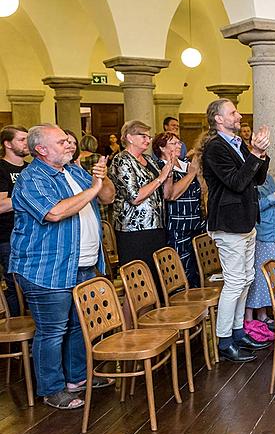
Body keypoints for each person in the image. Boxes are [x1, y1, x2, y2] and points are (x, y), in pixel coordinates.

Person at [9, 123, 115, 410]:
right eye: (61, 142)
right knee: (52, 330)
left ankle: (77, 378)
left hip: (82, 264)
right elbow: (55, 212)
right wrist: (93, 188)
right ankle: (52, 388)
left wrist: (101, 179)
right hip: (47, 267)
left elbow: (107, 197)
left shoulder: (74, 171)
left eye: (69, 141)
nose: (70, 144)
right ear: (41, 150)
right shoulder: (32, 178)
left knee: (80, 326)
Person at [201, 99, 272, 363]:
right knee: (233, 282)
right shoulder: (215, 148)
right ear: (218, 119)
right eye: (233, 113)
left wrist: (261, 153)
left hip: (246, 220)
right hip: (228, 223)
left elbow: (258, 179)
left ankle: (239, 331)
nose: (239, 115)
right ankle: (224, 340)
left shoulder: (238, 144)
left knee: (246, 278)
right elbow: (236, 182)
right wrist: (254, 152)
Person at [108, 120, 174, 296]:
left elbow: (166, 195)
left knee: (155, 282)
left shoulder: (150, 160)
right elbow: (135, 197)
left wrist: (169, 173)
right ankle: (133, 323)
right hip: (134, 230)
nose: (147, 140)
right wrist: (160, 178)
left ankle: (154, 320)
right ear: (129, 137)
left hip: (156, 226)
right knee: (138, 285)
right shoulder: (121, 160)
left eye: (149, 136)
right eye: (143, 136)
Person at [152, 132, 205, 288]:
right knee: (182, 266)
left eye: (178, 142)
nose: (179, 145)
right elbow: (172, 194)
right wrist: (191, 174)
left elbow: (200, 189)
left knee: (197, 267)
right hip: (178, 224)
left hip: (196, 221)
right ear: (162, 148)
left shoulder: (185, 164)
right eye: (173, 143)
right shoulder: (160, 167)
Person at [244, 173, 275, 338]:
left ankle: (263, 315)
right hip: (261, 233)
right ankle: (249, 319)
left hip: (274, 231)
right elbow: (252, 208)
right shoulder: (248, 179)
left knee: (270, 278)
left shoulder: (268, 178)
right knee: (258, 277)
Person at [0, 125, 28, 316]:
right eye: (21, 140)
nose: (27, 143)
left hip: (28, 234)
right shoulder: (1, 169)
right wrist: (30, 198)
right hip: (7, 236)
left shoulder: (29, 168)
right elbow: (1, 205)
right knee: (15, 286)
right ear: (8, 144)